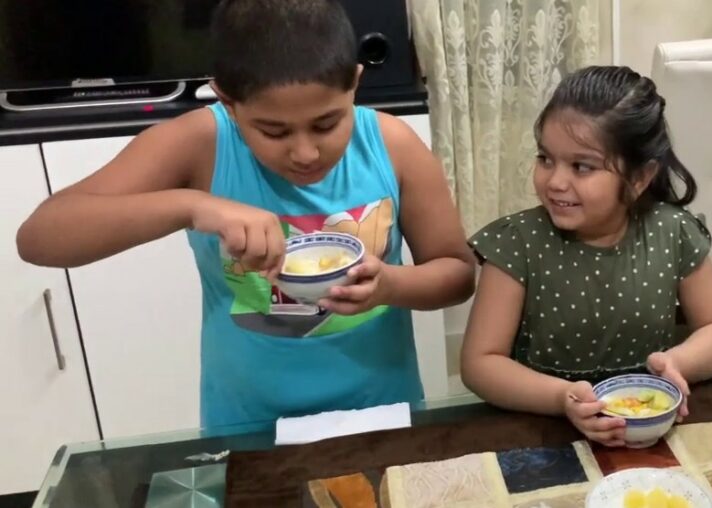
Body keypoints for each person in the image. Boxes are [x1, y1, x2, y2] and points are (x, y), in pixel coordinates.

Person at [16, 0, 475, 427]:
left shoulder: (391, 145)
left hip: (382, 411)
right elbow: (40, 236)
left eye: (327, 123)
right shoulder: (200, 145)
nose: (305, 152)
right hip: (248, 425)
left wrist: (390, 285)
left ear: (354, 82)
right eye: (273, 131)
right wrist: (193, 205)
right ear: (228, 102)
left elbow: (457, 274)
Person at [460, 66, 712, 447]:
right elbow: (480, 364)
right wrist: (562, 399)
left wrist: (679, 362)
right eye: (545, 158)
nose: (555, 181)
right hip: (545, 430)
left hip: (649, 425)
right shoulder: (519, 243)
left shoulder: (671, 232)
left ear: (639, 178)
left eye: (582, 166)